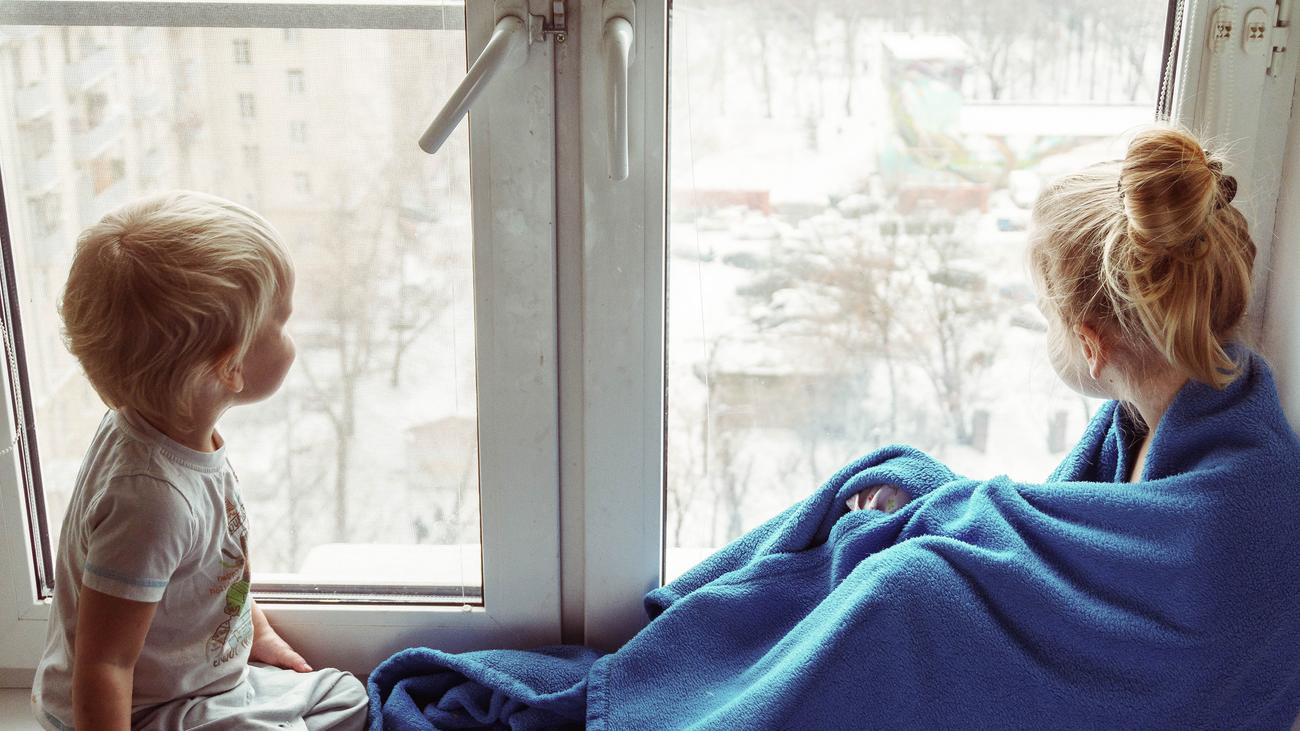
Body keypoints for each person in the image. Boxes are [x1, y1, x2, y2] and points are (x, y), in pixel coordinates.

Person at [365, 126, 1300, 728]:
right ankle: (705, 653)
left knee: (905, 593)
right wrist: (930, 505)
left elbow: (1131, 627)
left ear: (1090, 342)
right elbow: (1064, 552)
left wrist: (932, 543)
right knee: (892, 495)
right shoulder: (1163, 422)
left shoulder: (1245, 509)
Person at [30, 191, 368, 730]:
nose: (291, 333)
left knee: (345, 695)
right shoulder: (151, 500)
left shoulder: (166, 430)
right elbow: (104, 665)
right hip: (146, 711)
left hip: (196, 685)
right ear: (229, 368)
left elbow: (217, 568)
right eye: (281, 322)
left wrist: (259, 634)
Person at [848, 125, 1255, 516]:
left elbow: (1051, 540)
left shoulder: (1219, 510)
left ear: (1092, 346)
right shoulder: (1149, 426)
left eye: (1047, 315)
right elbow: (1050, 524)